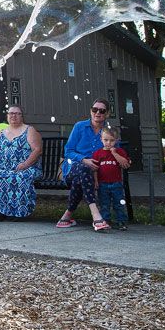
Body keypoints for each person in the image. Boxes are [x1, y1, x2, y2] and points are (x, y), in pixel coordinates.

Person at [56, 98, 130, 232]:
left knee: (82, 178)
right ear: (91, 111)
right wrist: (84, 159)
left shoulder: (109, 132)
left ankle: (66, 217)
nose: (98, 113)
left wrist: (123, 159)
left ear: (107, 114)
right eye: (94, 110)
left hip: (95, 174)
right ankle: (96, 215)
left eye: (102, 111)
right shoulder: (80, 126)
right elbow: (68, 151)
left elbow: (116, 151)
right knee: (84, 169)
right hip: (74, 168)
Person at [0, 105, 43, 220]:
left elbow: (37, 150)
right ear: (7, 116)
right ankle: (4, 210)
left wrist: (25, 164)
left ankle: (20, 212)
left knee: (18, 177)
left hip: (26, 167)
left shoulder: (29, 130)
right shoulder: (1, 133)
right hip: (3, 168)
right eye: (11, 113)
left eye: (17, 113)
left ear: (22, 116)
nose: (13, 116)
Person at [93, 126, 130, 231]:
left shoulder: (120, 152)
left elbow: (125, 163)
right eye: (106, 140)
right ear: (101, 139)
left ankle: (121, 221)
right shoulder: (97, 153)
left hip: (116, 183)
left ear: (116, 140)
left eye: (112, 140)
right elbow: (95, 169)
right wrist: (95, 181)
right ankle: (105, 221)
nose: (108, 143)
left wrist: (114, 153)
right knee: (104, 204)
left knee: (118, 203)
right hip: (102, 183)